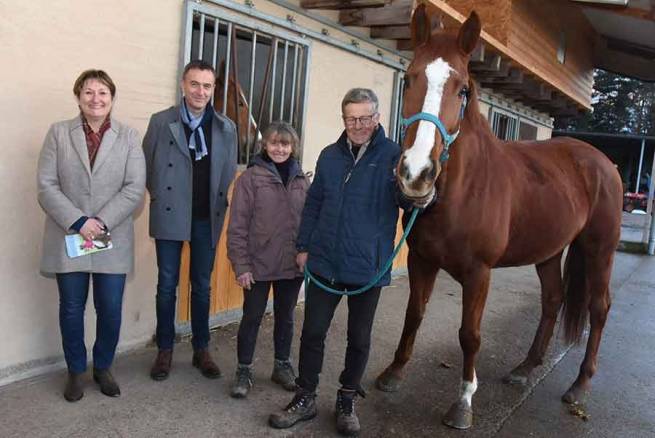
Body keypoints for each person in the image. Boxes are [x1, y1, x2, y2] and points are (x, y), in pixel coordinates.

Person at [268, 88, 412, 436]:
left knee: (359, 338)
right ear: (343, 119)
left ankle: (347, 398)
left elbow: (409, 201)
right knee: (313, 333)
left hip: (368, 266)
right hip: (325, 262)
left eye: (365, 118)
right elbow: (314, 204)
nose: (359, 125)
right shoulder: (330, 156)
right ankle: (305, 397)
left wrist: (418, 187)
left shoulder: (396, 156)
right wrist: (303, 246)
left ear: (378, 118)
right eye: (351, 118)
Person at [37, 69, 146, 402]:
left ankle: (102, 367)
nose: (95, 99)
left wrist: (100, 220)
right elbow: (46, 185)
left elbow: (135, 187)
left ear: (112, 98)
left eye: (103, 93)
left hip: (112, 237)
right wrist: (79, 221)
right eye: (88, 92)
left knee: (110, 308)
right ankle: (75, 371)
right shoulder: (58, 134)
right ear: (78, 96)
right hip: (69, 236)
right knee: (71, 308)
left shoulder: (129, 136)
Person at [143, 60, 237, 381]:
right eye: (194, 84)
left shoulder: (226, 127)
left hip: (204, 218)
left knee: (201, 286)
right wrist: (162, 198)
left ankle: (202, 349)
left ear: (213, 90)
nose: (200, 91)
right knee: (167, 285)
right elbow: (149, 166)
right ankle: (165, 350)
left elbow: (226, 174)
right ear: (183, 85)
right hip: (170, 212)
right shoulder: (161, 121)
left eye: (207, 86)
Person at [226, 121, 309, 398]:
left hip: (291, 264)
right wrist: (241, 266)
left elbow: (308, 222)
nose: (279, 148)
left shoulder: (301, 180)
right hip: (258, 265)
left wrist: (306, 253)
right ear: (265, 145)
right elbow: (237, 226)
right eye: (274, 143)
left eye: (285, 144)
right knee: (252, 317)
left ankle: (282, 365)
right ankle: (244, 369)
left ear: (293, 147)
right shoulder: (249, 180)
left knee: (286, 318)